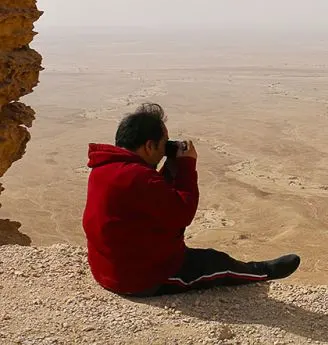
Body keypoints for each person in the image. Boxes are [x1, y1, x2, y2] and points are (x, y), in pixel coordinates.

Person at [81, 102, 300, 296]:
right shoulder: (140, 177)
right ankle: (262, 272)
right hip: (141, 280)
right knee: (214, 262)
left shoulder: (104, 168)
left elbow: (154, 196)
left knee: (203, 257)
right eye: (164, 143)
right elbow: (182, 213)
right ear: (149, 146)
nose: (166, 148)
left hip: (106, 270)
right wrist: (186, 166)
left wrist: (171, 164)